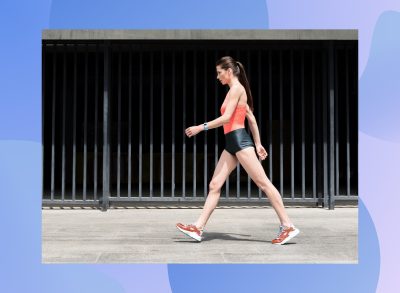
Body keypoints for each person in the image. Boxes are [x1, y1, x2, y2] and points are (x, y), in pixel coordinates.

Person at [176, 56, 299, 245]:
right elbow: (251, 118)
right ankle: (198, 227)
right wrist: (258, 144)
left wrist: (201, 127)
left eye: (219, 73)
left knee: (264, 184)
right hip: (232, 143)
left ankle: (288, 225)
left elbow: (226, 118)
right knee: (215, 184)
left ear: (229, 71)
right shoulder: (233, 91)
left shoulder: (237, 89)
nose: (217, 77)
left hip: (240, 141)